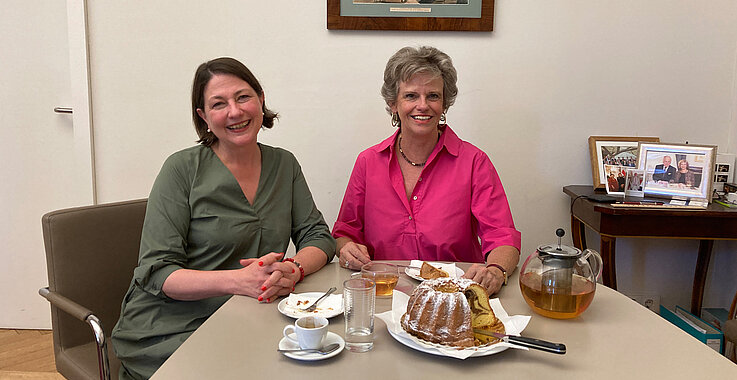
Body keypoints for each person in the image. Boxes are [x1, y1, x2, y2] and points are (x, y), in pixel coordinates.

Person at [111, 57, 335, 380]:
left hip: (251, 318)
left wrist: (294, 269)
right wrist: (238, 281)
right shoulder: (181, 170)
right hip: (172, 327)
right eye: (219, 104)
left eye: (243, 97)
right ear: (203, 117)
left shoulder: (284, 165)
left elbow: (318, 237)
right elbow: (158, 272)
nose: (234, 111)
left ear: (261, 99)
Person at [332, 46, 521, 295]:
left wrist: (496, 270)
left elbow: (502, 236)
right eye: (411, 96)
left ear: (444, 104)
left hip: (456, 295)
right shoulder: (368, 162)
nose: (423, 105)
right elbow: (345, 232)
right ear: (392, 104)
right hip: (384, 293)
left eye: (433, 96)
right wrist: (346, 249)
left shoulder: (474, 161)